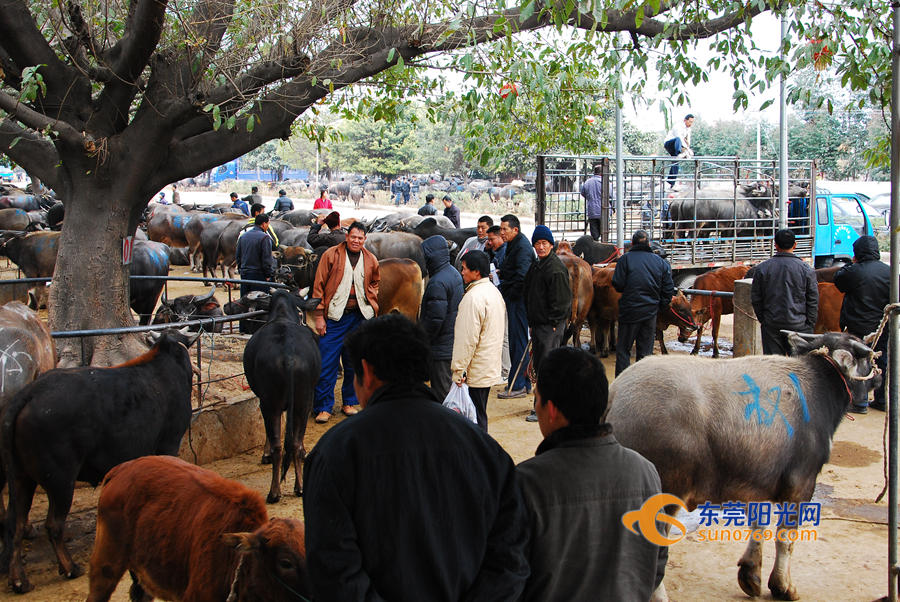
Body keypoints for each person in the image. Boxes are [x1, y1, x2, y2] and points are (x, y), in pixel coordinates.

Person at [303, 314, 530, 601]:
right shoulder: (484, 449)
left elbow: (333, 570)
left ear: (366, 372)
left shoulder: (335, 452)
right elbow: (511, 557)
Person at [517, 346, 667, 601]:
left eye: (537, 399)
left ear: (551, 410)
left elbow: (509, 573)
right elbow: (656, 563)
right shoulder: (645, 473)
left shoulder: (526, 483)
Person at [310, 221, 380, 423]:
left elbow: (375, 281)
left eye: (360, 238)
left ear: (364, 239)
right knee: (327, 363)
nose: (356, 241)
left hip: (359, 317)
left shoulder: (370, 259)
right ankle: (323, 406)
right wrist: (319, 316)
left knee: (354, 363)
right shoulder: (331, 255)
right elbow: (318, 286)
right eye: (353, 237)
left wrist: (371, 297)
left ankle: (349, 402)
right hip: (334, 318)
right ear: (347, 237)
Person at [451, 251, 506, 431]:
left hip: (476, 369)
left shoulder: (473, 298)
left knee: (474, 417)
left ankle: (480, 453)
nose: (462, 272)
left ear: (476, 272)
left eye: (465, 268)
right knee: (479, 413)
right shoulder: (493, 292)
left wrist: (459, 371)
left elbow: (466, 340)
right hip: (487, 365)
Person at [834, 236, 890, 413]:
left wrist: (852, 263)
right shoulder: (889, 272)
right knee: (881, 360)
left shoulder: (854, 271)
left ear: (857, 252)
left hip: (859, 325)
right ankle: (881, 400)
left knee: (859, 361)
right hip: (883, 326)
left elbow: (838, 280)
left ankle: (860, 402)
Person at [523, 225, 572, 422]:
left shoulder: (555, 269)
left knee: (547, 367)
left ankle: (543, 407)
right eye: (537, 243)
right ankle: (544, 403)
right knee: (540, 364)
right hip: (539, 324)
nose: (540, 247)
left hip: (550, 326)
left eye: (544, 243)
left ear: (551, 245)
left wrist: (554, 322)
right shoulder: (537, 265)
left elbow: (562, 300)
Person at [612, 230, 675, 375]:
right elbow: (668, 289)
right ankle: (642, 386)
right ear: (649, 244)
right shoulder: (660, 262)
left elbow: (617, 284)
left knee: (623, 351)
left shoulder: (625, 259)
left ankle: (622, 385)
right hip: (650, 314)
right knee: (645, 353)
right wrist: (659, 306)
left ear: (632, 243)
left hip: (629, 313)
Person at [750, 229, 818, 356]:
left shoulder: (762, 269)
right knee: (799, 366)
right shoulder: (806, 270)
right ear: (795, 245)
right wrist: (809, 325)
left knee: (775, 366)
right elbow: (813, 300)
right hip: (799, 326)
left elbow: (756, 299)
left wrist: (764, 320)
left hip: (772, 325)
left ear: (775, 245)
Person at [420, 235, 464, 400]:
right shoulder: (452, 272)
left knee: (442, 394)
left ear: (431, 256)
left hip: (440, 346)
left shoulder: (437, 282)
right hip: (452, 342)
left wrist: (423, 339)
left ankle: (446, 425)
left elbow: (435, 319)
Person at [497, 214, 535, 398]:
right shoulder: (514, 245)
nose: (501, 232)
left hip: (519, 301)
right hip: (515, 299)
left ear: (515, 230)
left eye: (505, 229)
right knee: (516, 341)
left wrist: (508, 291)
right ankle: (523, 382)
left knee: (518, 341)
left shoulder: (522, 248)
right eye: (501, 229)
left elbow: (522, 277)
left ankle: (518, 384)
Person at [235, 214, 275, 298]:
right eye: (268, 224)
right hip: (259, 275)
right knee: (260, 302)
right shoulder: (265, 238)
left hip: (245, 274)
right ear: (264, 224)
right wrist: (268, 275)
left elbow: (238, 256)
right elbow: (266, 260)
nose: (268, 226)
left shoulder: (243, 236)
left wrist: (241, 270)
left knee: (245, 300)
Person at [663, 113, 695, 189]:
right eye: (689, 122)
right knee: (678, 139)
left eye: (692, 122)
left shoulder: (688, 130)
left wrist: (688, 149)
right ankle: (680, 153)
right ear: (685, 120)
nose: (690, 124)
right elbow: (679, 138)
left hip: (678, 146)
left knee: (676, 162)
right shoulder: (678, 126)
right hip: (670, 144)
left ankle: (671, 182)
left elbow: (688, 141)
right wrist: (685, 150)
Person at [580, 164, 604, 240]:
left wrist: (591, 198)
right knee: (604, 232)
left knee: (594, 234)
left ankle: (595, 245)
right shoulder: (605, 182)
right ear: (602, 173)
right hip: (603, 210)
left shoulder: (587, 182)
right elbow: (612, 196)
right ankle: (603, 245)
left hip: (592, 211)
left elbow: (583, 193)